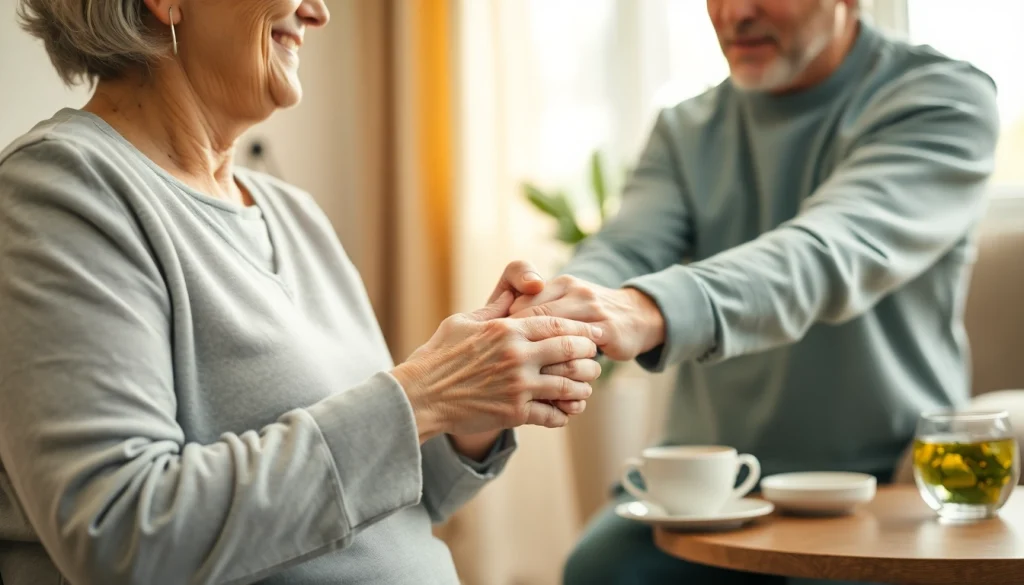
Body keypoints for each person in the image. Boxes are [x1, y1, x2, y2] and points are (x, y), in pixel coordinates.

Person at [0, 1, 604, 584]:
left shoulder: (294, 214)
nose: (319, 11)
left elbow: (386, 508)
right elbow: (122, 536)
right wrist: (423, 394)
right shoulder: (62, 190)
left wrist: (465, 411)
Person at [506, 0, 1001, 583]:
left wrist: (645, 308)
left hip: (884, 486)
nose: (735, 12)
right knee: (597, 571)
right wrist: (553, 309)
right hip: (708, 488)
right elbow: (624, 249)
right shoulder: (686, 127)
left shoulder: (942, 100)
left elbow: (831, 250)